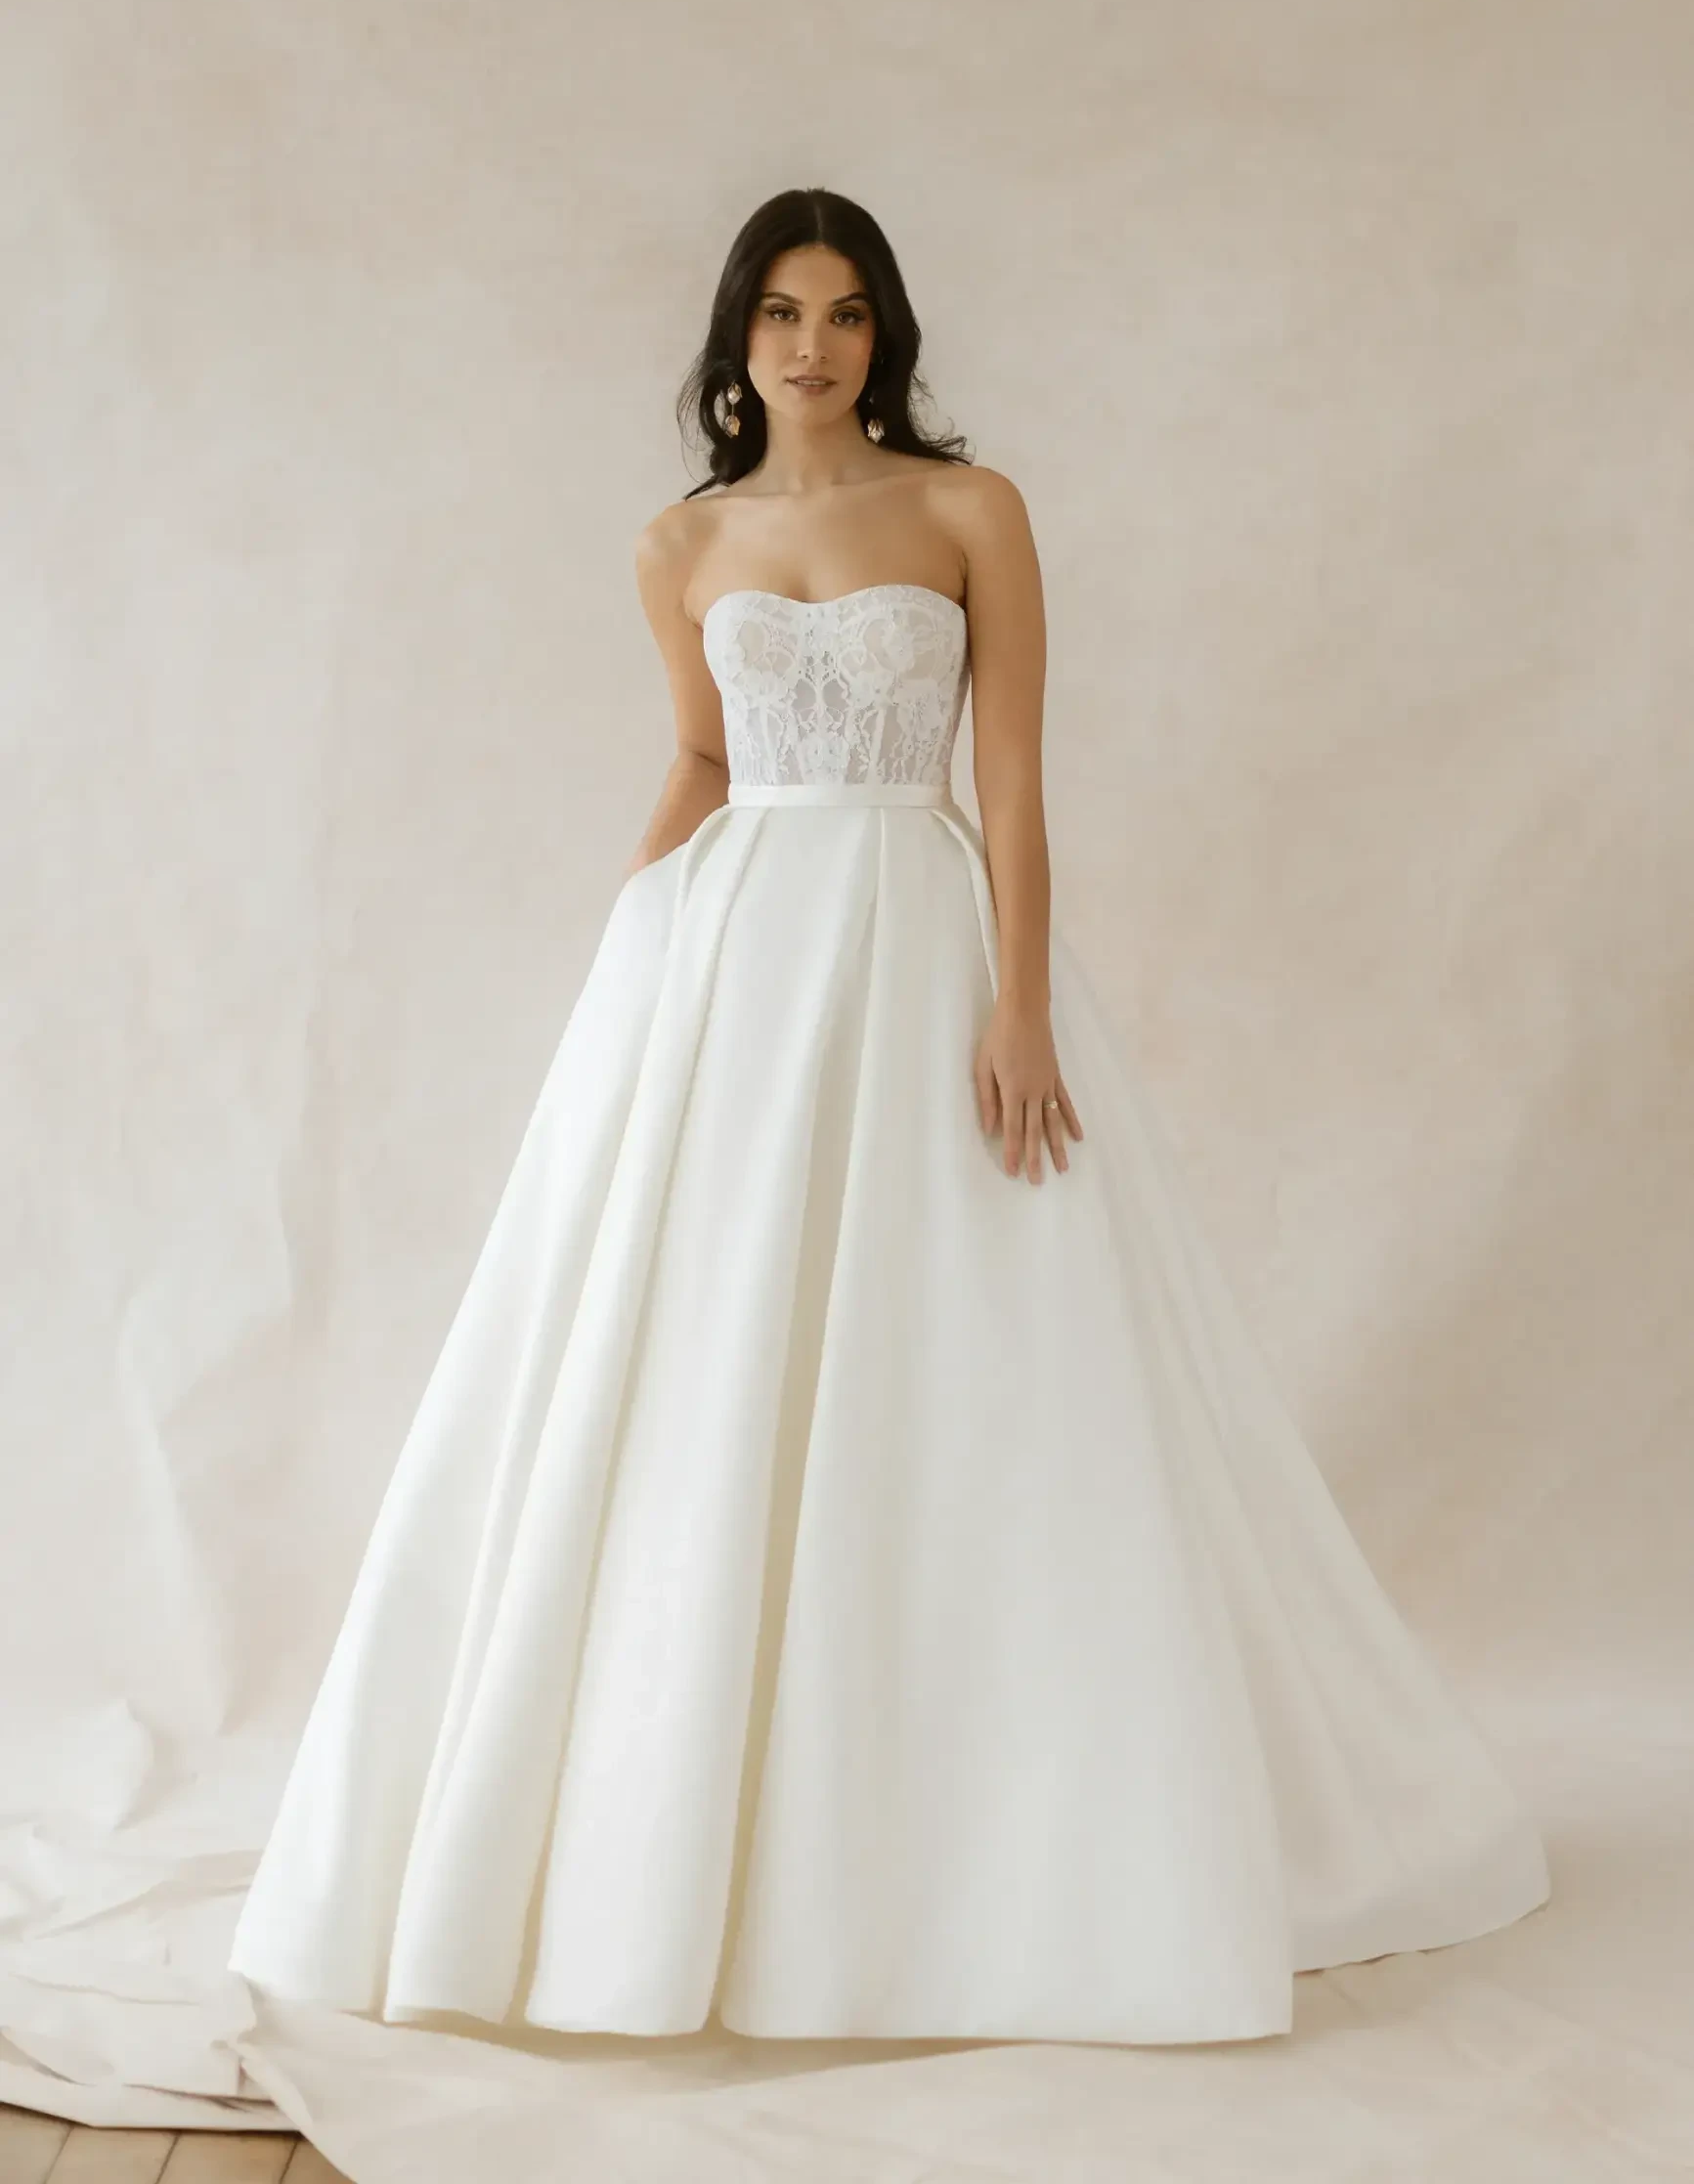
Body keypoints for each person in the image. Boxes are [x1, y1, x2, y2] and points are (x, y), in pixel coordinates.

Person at [228, 187, 1549, 2045]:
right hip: (733, 958)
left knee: (964, 1356)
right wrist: (631, 945)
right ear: (736, 339)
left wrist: (1015, 998)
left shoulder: (968, 511)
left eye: (846, 312)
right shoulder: (677, 543)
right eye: (780, 311)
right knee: (704, 1367)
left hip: (920, 937)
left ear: (886, 334)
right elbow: (703, 755)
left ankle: (992, 1845)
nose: (813, 346)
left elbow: (1007, 775)